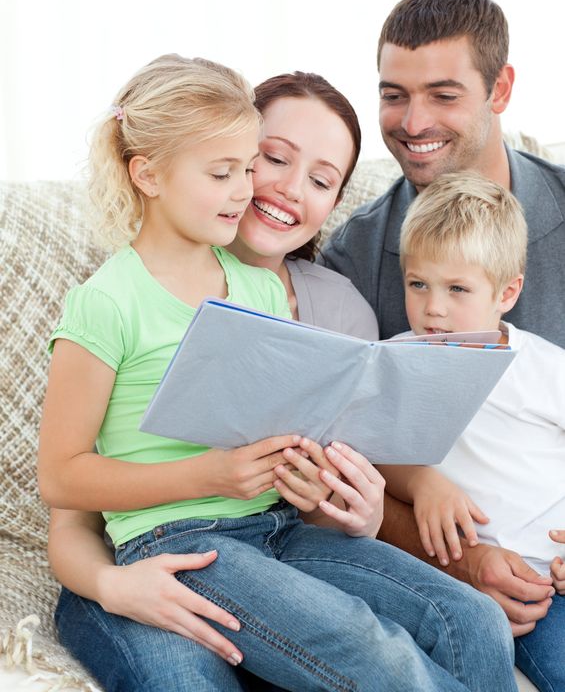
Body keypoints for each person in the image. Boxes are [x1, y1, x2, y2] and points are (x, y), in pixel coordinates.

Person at [38, 56, 517, 692]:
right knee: (366, 647)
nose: (247, 190)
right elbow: (61, 476)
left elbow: (288, 432)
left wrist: (320, 475)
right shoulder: (106, 301)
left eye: (245, 169)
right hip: (182, 540)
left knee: (474, 620)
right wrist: (210, 474)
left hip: (278, 529)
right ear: (148, 174)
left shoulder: (259, 291)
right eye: (231, 170)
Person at [49, 71, 383, 691]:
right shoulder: (113, 300)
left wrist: (350, 509)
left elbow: (301, 487)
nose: (263, 187)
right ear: (150, 175)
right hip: (146, 554)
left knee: (447, 622)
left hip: (266, 541)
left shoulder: (305, 304)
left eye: (321, 179)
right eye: (268, 161)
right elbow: (67, 501)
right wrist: (111, 584)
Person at [319, 0, 565, 636]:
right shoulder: (357, 253)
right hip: (476, 576)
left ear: (500, 90)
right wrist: (461, 560)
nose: (413, 122)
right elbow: (336, 454)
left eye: (443, 95)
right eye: (393, 95)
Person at [379, 171, 565, 692]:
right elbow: (370, 450)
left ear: (506, 292)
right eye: (418, 284)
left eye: (457, 288)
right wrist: (421, 482)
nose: (433, 307)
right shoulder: (393, 359)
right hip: (464, 582)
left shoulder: (544, 369)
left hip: (551, 575)